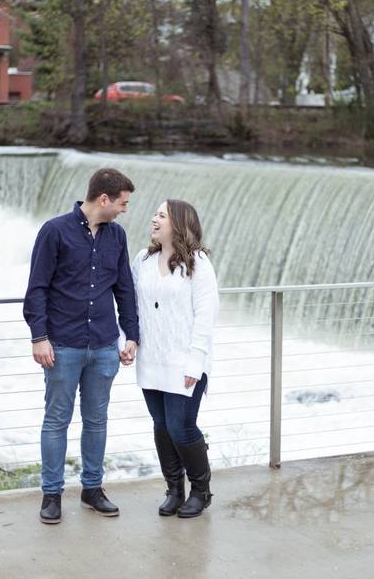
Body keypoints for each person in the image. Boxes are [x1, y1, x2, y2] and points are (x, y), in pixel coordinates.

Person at [23, 168, 139, 525]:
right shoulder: (54, 231)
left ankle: (92, 489)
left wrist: (131, 335)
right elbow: (37, 288)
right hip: (63, 344)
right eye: (122, 203)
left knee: (97, 420)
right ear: (103, 199)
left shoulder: (116, 237)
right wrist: (39, 337)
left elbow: (125, 289)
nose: (124, 210)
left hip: (104, 345)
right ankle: (52, 494)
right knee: (56, 420)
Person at [132, 199, 219, 518]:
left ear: (179, 224)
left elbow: (205, 316)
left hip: (185, 361)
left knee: (181, 426)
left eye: (162, 215)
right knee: (161, 425)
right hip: (151, 358)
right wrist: (127, 340)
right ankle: (174, 489)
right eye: (154, 213)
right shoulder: (142, 258)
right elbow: (134, 306)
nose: (154, 219)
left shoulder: (198, 264)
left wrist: (196, 361)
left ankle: (201, 490)